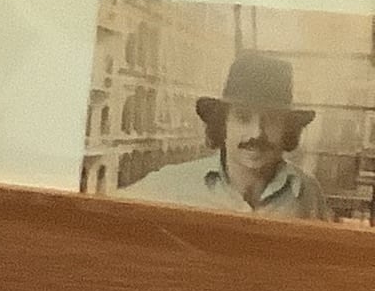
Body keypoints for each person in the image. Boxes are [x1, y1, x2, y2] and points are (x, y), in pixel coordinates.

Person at [125, 51, 324, 220]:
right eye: (243, 118)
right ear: (223, 124)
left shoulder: (307, 192)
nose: (257, 133)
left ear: (287, 128)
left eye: (271, 119)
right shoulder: (173, 184)